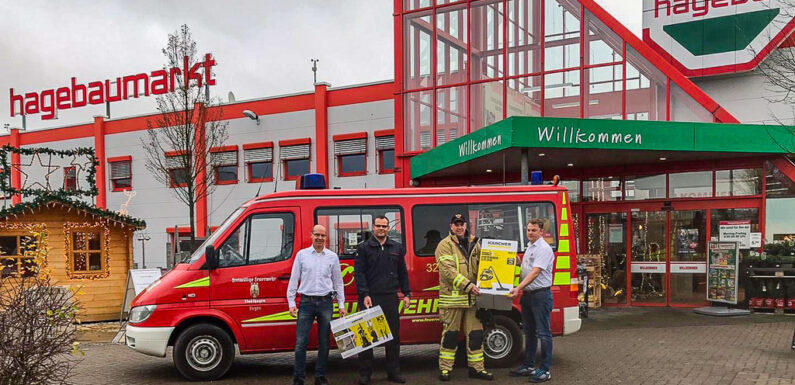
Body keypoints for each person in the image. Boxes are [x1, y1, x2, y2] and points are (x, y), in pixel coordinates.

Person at [435, 213, 494, 382]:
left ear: (466, 225)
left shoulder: (475, 243)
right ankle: (445, 369)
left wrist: (510, 260)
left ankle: (477, 369)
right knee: (451, 336)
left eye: (462, 224)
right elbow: (448, 271)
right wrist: (468, 286)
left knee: (476, 335)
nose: (459, 227)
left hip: (473, 300)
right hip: (453, 301)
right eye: (456, 224)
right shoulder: (444, 245)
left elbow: (490, 261)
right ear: (451, 226)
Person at [287, 225, 347, 385]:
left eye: (323, 235)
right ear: (311, 235)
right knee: (301, 343)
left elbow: (338, 282)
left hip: (326, 303)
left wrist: (341, 304)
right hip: (306, 303)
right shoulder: (302, 255)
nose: (320, 238)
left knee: (324, 343)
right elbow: (294, 279)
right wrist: (291, 302)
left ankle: (320, 377)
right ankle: (298, 378)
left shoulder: (332, 257)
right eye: (317, 235)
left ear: (326, 237)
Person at [354, 215, 411, 385]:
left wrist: (406, 293)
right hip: (369, 299)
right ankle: (365, 375)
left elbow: (403, 272)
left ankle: (393, 373)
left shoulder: (396, 248)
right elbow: (359, 273)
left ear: (388, 228)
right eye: (378, 226)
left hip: (390, 298)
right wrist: (364, 294)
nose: (381, 229)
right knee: (366, 339)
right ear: (373, 227)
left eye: (384, 226)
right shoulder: (363, 248)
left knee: (393, 338)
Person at [509, 219, 555, 383]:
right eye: (528, 230)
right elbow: (528, 267)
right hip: (529, 295)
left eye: (534, 230)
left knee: (544, 333)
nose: (530, 233)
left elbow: (535, 272)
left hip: (540, 296)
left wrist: (518, 288)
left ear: (541, 232)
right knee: (529, 332)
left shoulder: (543, 248)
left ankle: (545, 370)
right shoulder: (530, 246)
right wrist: (518, 262)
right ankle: (529, 365)